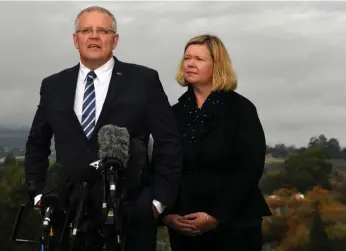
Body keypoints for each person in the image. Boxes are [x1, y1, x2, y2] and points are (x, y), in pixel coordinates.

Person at [23, 5, 183, 251]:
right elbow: (37, 142)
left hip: (130, 213)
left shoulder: (144, 80)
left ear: (115, 39)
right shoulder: (54, 85)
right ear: (76, 40)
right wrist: (39, 193)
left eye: (103, 30)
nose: (94, 36)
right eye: (86, 30)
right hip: (67, 215)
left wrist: (158, 200)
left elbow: (168, 141)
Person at [161, 34, 272, 251]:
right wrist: (167, 216)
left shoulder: (241, 110)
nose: (190, 64)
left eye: (199, 59)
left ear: (217, 65)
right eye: (187, 58)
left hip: (235, 226)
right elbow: (163, 166)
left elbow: (250, 169)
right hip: (185, 228)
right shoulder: (173, 114)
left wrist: (216, 216)